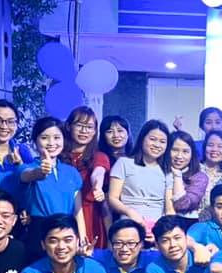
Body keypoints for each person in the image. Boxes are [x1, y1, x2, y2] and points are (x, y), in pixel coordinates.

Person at [19, 117, 86, 260]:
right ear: (35, 141)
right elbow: (29, 175)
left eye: (57, 137)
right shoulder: (26, 167)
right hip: (39, 232)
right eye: (44, 138)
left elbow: (78, 210)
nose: (51, 143)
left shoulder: (72, 172)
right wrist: (42, 171)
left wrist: (82, 239)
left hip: (67, 232)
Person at [108, 119, 171, 237]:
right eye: (152, 139)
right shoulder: (124, 163)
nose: (157, 145)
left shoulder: (167, 171)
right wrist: (129, 212)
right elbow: (112, 198)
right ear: (142, 139)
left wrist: (162, 231)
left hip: (157, 230)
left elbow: (169, 210)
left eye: (162, 142)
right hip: (128, 227)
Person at [63, 106, 110, 249]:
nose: (84, 131)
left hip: (90, 215)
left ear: (95, 131)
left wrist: (97, 187)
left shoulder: (99, 156)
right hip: (62, 212)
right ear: (69, 126)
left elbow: (98, 172)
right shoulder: (58, 156)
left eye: (89, 127)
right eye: (79, 125)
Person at [165, 129, 208, 224]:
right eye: (175, 150)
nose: (179, 156)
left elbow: (182, 205)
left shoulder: (200, 178)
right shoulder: (160, 171)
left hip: (185, 224)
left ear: (192, 154)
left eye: (185, 151)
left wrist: (177, 176)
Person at [188, 183, 222, 253]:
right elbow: (185, 240)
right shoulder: (202, 228)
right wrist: (197, 247)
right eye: (220, 207)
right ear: (211, 209)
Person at [197, 130, 222, 221]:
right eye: (210, 145)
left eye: (220, 146)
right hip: (191, 223)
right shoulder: (194, 169)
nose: (214, 149)